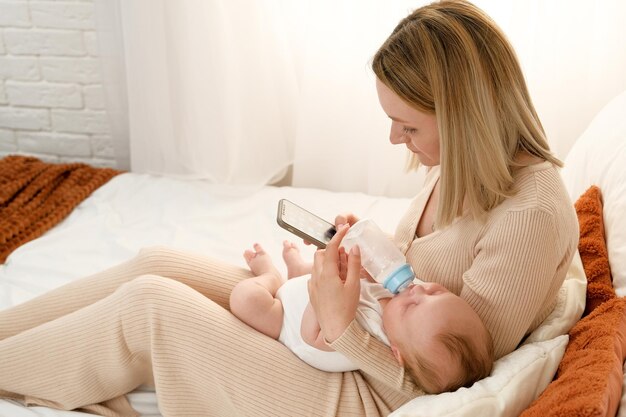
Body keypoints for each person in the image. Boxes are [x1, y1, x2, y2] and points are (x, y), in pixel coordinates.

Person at [0, 1, 579, 416]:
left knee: (152, 307)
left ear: (463, 117)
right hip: (339, 337)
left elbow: (441, 382)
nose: (396, 142)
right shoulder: (463, 166)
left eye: (408, 126)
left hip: (353, 390)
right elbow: (413, 285)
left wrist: (338, 324)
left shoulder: (530, 216)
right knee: (158, 264)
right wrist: (361, 262)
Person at [230, 241, 493, 392]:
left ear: (396, 352)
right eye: (436, 292)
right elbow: (371, 281)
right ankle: (298, 271)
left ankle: (270, 275)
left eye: (412, 307)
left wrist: (322, 295)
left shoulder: (370, 339)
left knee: (244, 299)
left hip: (285, 319)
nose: (419, 290)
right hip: (308, 287)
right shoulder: (406, 300)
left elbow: (312, 336)